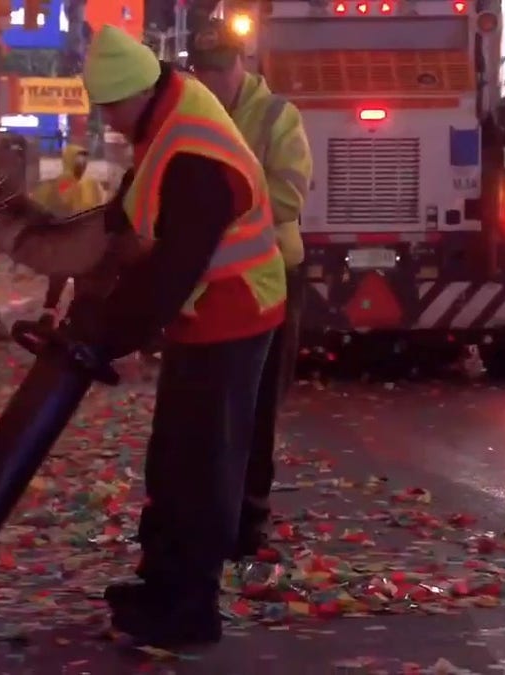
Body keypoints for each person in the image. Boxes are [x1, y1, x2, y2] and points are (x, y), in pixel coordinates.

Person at [69, 25, 288, 647]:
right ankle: (161, 583)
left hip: (236, 314)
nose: (108, 121)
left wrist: (109, 337)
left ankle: (191, 610)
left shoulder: (192, 151)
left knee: (201, 467)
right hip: (206, 316)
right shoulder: (169, 115)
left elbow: (171, 272)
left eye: (110, 107)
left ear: (134, 94)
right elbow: (137, 215)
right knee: (172, 458)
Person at [187, 19, 313, 559]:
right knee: (214, 403)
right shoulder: (192, 114)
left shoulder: (276, 116)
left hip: (272, 274)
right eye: (205, 69)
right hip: (213, 275)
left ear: (242, 62)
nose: (215, 78)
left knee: (259, 401)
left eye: (223, 66)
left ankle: (250, 514)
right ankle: (214, 509)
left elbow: (289, 194)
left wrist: (225, 202)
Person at [29, 143, 107, 326]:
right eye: (78, 159)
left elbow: (100, 206)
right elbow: (58, 203)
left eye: (84, 160)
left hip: (85, 242)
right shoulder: (63, 182)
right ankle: (49, 317)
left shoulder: (92, 184)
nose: (82, 163)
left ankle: (76, 320)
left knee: (82, 284)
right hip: (66, 241)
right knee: (58, 281)